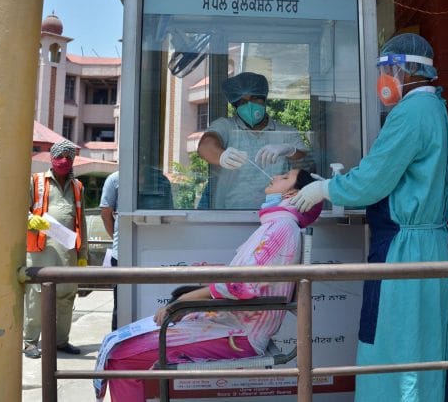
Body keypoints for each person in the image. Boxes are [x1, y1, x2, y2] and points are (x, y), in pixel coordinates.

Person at [291, 33, 448, 401]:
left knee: (399, 344)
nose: (384, 78)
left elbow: (373, 180)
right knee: (424, 343)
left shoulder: (411, 113)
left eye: (389, 68)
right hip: (421, 245)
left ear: (410, 70)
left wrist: (327, 188)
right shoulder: (433, 108)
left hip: (407, 250)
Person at [94, 169, 322, 401]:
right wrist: (201, 272)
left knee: (120, 357)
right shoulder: (277, 226)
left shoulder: (280, 228)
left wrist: (183, 301)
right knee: (121, 348)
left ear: (291, 194)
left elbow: (240, 285)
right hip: (231, 324)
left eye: (284, 177)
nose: (274, 176)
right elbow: (243, 277)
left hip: (239, 334)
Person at [197, 71, 310, 209]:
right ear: (236, 106)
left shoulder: (286, 132)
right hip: (229, 215)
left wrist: (290, 150)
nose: (249, 105)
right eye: (243, 102)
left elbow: (306, 163)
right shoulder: (226, 126)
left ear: (264, 99)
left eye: (254, 99)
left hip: (277, 214)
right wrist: (221, 156)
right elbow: (205, 145)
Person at [24, 140, 88, 358]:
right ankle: (30, 342)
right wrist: (31, 220)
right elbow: (18, 210)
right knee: (36, 298)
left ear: (73, 161)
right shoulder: (36, 181)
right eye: (59, 157)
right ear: (51, 159)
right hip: (42, 252)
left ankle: (61, 341)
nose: (63, 161)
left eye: (68, 158)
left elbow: (82, 222)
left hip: (69, 253)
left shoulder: (78, 187)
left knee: (66, 298)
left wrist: (83, 256)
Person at [100, 171, 119, 331]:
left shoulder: (160, 179)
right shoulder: (114, 179)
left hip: (152, 251)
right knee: (120, 303)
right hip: (120, 254)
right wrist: (118, 239)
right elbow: (106, 214)